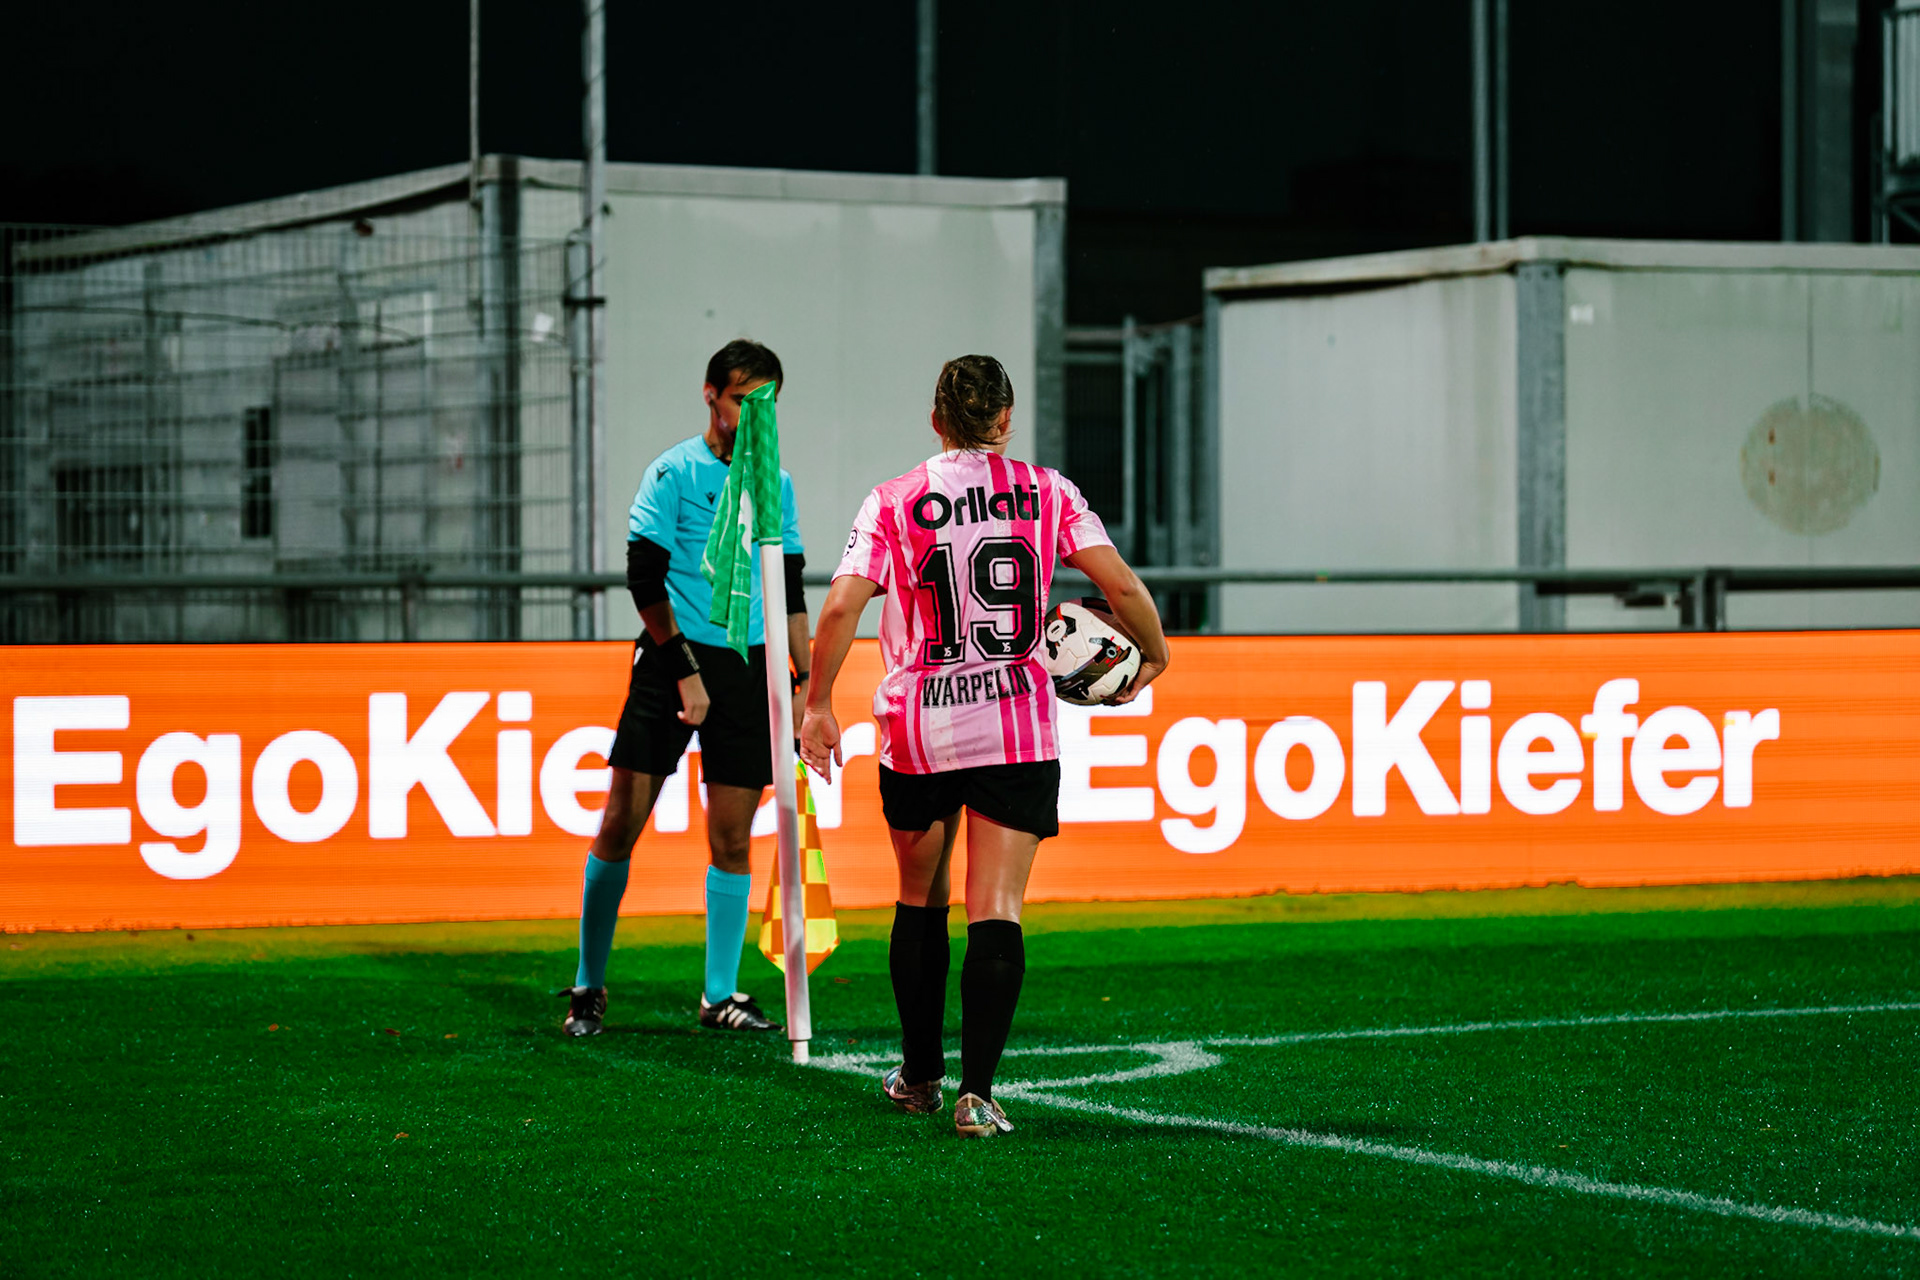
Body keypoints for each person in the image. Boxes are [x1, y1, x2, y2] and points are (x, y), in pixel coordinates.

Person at [799, 354, 1169, 1138]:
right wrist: (1155, 653)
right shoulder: (1048, 491)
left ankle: (921, 1077)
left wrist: (817, 705)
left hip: (921, 725)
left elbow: (839, 609)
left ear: (936, 420)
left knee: (918, 901)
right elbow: (1126, 588)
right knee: (995, 909)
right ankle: (979, 1094)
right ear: (1004, 420)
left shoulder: (895, 499)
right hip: (1015, 723)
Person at [560, 339, 810, 1037]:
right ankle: (588, 986)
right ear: (710, 395)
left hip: (748, 665)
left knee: (733, 839)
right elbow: (644, 581)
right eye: (742, 400)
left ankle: (719, 995)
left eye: (767, 403)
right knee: (620, 824)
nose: (753, 414)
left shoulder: (777, 484)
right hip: (672, 660)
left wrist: (806, 686)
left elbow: (788, 590)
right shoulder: (672, 473)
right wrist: (684, 673)